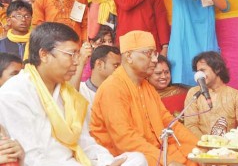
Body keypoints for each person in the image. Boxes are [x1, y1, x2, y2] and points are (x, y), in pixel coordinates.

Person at [0, 22, 146, 166]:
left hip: (77, 161)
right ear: (44, 55)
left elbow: (84, 142)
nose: (77, 61)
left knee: (137, 159)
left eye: (78, 54)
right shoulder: (15, 93)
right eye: (71, 54)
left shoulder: (67, 93)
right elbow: (32, 159)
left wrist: (107, 162)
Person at [90, 30, 198, 166]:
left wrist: (198, 148)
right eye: (148, 54)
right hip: (127, 156)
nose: (154, 59)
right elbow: (124, 140)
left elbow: (169, 123)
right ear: (129, 56)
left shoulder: (146, 86)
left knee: (196, 158)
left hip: (157, 150)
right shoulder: (112, 88)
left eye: (155, 54)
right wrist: (167, 162)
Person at [184, 51, 238, 138]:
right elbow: (190, 125)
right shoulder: (194, 93)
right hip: (200, 147)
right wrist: (206, 143)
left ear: (217, 69)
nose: (199, 75)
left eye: (202, 70)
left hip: (228, 148)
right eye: (197, 72)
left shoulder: (236, 95)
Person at [79, 45, 121, 117]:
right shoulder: (80, 90)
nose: (120, 70)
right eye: (116, 65)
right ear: (99, 64)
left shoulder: (119, 92)